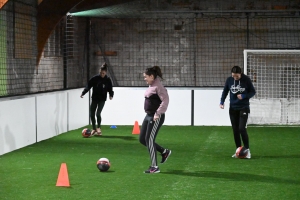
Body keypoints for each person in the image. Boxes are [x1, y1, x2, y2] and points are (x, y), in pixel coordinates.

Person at [140, 66, 171, 173]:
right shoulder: (151, 85)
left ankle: (155, 167)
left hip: (156, 116)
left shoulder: (158, 86)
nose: (144, 79)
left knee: (149, 139)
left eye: (146, 77)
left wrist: (158, 113)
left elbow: (165, 101)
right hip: (148, 115)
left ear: (152, 76)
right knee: (142, 139)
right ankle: (164, 152)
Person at [219, 66, 256, 159]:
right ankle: (238, 151)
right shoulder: (229, 80)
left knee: (241, 128)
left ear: (241, 73)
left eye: (237, 76)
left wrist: (244, 96)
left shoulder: (246, 80)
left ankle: (247, 150)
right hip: (233, 109)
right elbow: (225, 92)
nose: (235, 78)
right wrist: (221, 102)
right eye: (233, 76)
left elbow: (253, 92)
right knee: (235, 130)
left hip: (244, 107)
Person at [80, 63, 114, 136]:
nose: (102, 74)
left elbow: (110, 88)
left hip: (102, 99)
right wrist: (83, 93)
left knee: (98, 113)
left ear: (106, 73)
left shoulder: (108, 80)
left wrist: (111, 95)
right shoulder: (95, 78)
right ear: (99, 71)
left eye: (103, 73)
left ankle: (98, 128)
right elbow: (88, 86)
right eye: (101, 73)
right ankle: (94, 129)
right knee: (92, 114)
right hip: (95, 98)